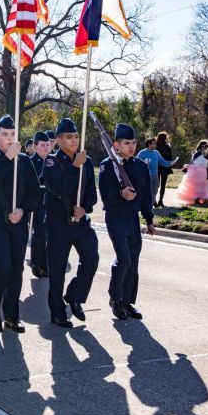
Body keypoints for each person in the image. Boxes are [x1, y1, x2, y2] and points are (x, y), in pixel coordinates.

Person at [0, 114, 40, 333]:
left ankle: (12, 316)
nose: (9, 138)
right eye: (4, 135)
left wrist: (23, 210)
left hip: (18, 221)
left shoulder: (25, 161)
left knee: (16, 269)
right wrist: (6, 158)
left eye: (13, 134)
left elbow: (34, 192)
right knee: (3, 266)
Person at [41, 119, 99, 328]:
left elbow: (92, 193)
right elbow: (60, 188)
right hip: (58, 224)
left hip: (81, 223)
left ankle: (74, 296)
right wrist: (75, 167)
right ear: (58, 140)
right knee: (57, 269)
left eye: (76, 137)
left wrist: (85, 207)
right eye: (69, 137)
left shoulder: (87, 162)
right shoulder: (51, 162)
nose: (74, 141)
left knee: (91, 259)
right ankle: (57, 313)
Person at [99, 123, 155, 321]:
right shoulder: (109, 165)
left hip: (132, 218)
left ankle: (127, 301)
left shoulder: (140, 166)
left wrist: (149, 219)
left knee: (133, 261)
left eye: (133, 142)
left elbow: (147, 195)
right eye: (126, 143)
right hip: (115, 217)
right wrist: (120, 193)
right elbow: (105, 194)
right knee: (124, 258)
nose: (131, 146)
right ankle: (115, 298)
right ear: (116, 144)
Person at [28, 131, 51, 278]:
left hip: (51, 203)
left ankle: (46, 264)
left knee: (50, 236)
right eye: (43, 145)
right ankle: (36, 263)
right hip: (36, 203)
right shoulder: (30, 162)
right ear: (35, 146)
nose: (46, 148)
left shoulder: (52, 160)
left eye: (48, 145)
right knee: (40, 234)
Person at [136, 137, 179, 208]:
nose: (155, 145)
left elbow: (163, 162)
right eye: (154, 144)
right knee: (148, 192)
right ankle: (148, 207)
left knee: (155, 192)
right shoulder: (142, 153)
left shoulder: (156, 152)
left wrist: (171, 163)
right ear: (149, 144)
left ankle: (150, 205)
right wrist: (144, 163)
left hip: (155, 176)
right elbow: (136, 163)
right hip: (146, 176)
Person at [175, 141, 208, 206]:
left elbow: (193, 162)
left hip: (193, 170)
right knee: (203, 185)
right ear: (204, 147)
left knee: (193, 186)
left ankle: (196, 199)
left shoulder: (195, 152)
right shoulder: (203, 154)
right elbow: (205, 163)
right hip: (201, 170)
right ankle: (203, 199)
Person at [155, 131, 174, 207]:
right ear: (165, 138)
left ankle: (154, 201)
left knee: (156, 185)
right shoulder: (167, 147)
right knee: (163, 185)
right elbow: (170, 158)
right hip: (165, 167)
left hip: (156, 167)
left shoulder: (155, 146)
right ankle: (161, 201)